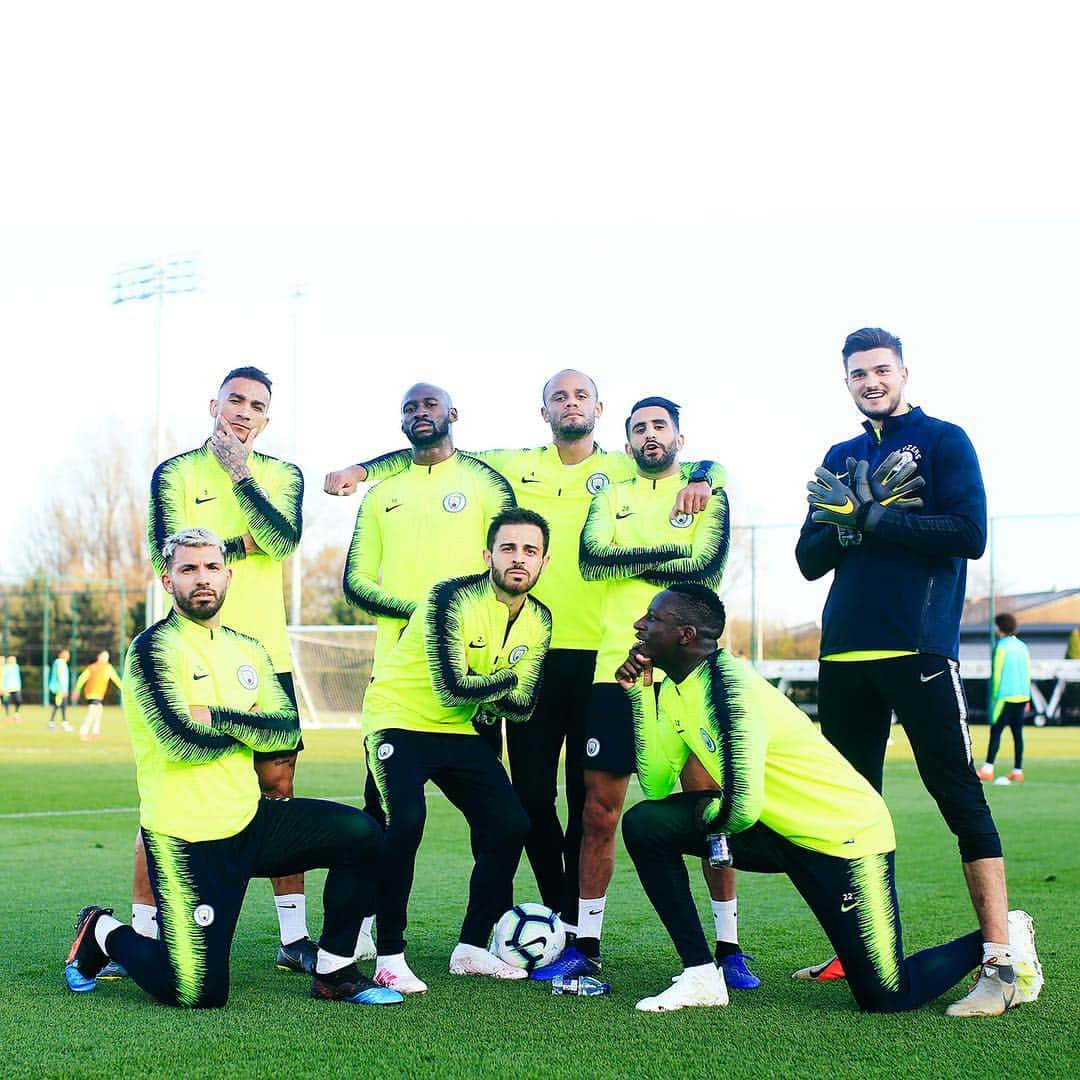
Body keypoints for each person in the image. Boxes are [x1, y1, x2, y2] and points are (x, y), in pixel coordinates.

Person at [325, 370, 715, 939]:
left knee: (589, 801)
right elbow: (435, 445)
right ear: (545, 411)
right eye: (559, 396)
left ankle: (571, 925)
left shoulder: (624, 466)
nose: (570, 403)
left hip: (601, 657)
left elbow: (680, 460)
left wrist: (707, 474)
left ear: (600, 410)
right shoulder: (511, 464)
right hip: (530, 651)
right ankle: (541, 909)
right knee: (529, 796)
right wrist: (363, 469)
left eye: (581, 395)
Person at [616, 584, 1042, 1016]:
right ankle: (701, 975)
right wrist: (638, 693)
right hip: (777, 829)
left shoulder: (730, 690)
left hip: (845, 840)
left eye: (652, 618)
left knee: (884, 996)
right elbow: (655, 784)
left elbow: (740, 807)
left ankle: (1001, 933)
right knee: (645, 824)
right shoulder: (672, 691)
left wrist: (708, 817)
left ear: (685, 634)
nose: (639, 625)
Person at [63, 528, 402, 1008]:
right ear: (168, 580)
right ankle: (101, 931)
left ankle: (334, 971)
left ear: (227, 575)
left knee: (364, 835)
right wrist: (247, 728)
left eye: (210, 568)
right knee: (197, 992)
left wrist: (217, 716)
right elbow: (180, 741)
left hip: (251, 820)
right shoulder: (152, 651)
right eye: (188, 569)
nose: (201, 578)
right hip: (187, 839)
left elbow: (285, 731)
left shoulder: (249, 650)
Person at [795, 326, 1015, 1015]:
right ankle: (866, 948)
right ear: (848, 382)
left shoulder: (945, 441)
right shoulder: (842, 452)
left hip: (916, 648)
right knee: (852, 815)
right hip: (843, 654)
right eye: (858, 374)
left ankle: (1002, 964)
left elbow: (969, 534)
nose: (871, 381)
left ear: (903, 372)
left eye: (880, 370)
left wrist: (874, 517)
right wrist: (848, 525)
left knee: (957, 795)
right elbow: (808, 558)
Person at [542, 395, 752, 987]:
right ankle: (586, 945)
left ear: (680, 439)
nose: (649, 435)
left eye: (660, 426)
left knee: (711, 810)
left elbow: (705, 570)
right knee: (597, 814)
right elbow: (590, 561)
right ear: (627, 440)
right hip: (616, 673)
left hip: (689, 676)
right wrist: (671, 562)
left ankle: (728, 946)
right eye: (638, 429)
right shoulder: (610, 493)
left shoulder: (706, 489)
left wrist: (635, 561)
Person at [140, 365, 311, 974]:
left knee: (279, 789)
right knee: (170, 793)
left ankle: (294, 937)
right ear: (214, 403)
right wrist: (238, 546)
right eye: (234, 400)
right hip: (191, 649)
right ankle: (146, 928)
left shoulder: (283, 474)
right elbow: (167, 550)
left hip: (264, 654)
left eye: (256, 404)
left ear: (268, 417)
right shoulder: (176, 473)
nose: (243, 411)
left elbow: (283, 538)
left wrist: (240, 478)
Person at [340, 381, 514, 954]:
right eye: (410, 408)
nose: (420, 413)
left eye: (429, 405)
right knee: (385, 815)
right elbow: (356, 583)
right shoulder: (381, 494)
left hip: (473, 682)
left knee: (495, 820)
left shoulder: (485, 480)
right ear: (402, 422)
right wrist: (429, 615)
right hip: (397, 685)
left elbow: (512, 552)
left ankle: (485, 935)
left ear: (453, 414)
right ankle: (367, 928)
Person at [360, 508, 552, 994]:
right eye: (508, 548)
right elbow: (452, 689)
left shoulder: (540, 619)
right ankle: (388, 955)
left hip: (455, 731)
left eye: (530, 551)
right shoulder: (451, 595)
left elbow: (525, 708)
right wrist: (505, 681)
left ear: (544, 562)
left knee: (510, 824)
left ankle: (469, 949)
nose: (518, 559)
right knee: (404, 820)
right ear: (488, 555)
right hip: (398, 719)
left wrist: (487, 688)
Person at [978, 613, 1031, 783]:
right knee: (1018, 734)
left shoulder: (1001, 646)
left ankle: (988, 769)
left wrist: (994, 697)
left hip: (1005, 697)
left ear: (1000, 627)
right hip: (1022, 696)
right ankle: (1018, 771)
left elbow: (997, 673)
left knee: (996, 732)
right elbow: (1027, 672)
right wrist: (1028, 697)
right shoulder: (1023, 647)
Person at [73, 651, 123, 740]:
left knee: (99, 710)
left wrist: (77, 690)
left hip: (94, 694)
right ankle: (83, 732)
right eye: (104, 656)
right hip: (94, 693)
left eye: (106, 657)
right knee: (92, 712)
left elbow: (81, 678)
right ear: (98, 657)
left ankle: (95, 732)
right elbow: (116, 679)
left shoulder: (97, 667)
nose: (105, 658)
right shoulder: (103, 667)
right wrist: (123, 689)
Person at [48, 649, 72, 731]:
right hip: (59, 688)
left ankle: (62, 722)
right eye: (66, 654)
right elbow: (60, 676)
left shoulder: (62, 663)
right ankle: (53, 723)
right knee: (59, 705)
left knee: (62, 705)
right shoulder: (59, 662)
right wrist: (63, 688)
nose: (68, 656)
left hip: (61, 688)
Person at [2, 656, 22, 723]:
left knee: (19, 700)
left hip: (16, 687)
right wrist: (3, 687)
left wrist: (19, 685)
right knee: (6, 702)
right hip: (7, 688)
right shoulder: (4, 667)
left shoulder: (16, 666)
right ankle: (7, 715)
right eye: (12, 659)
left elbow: (18, 676)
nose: (13, 661)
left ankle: (16, 713)